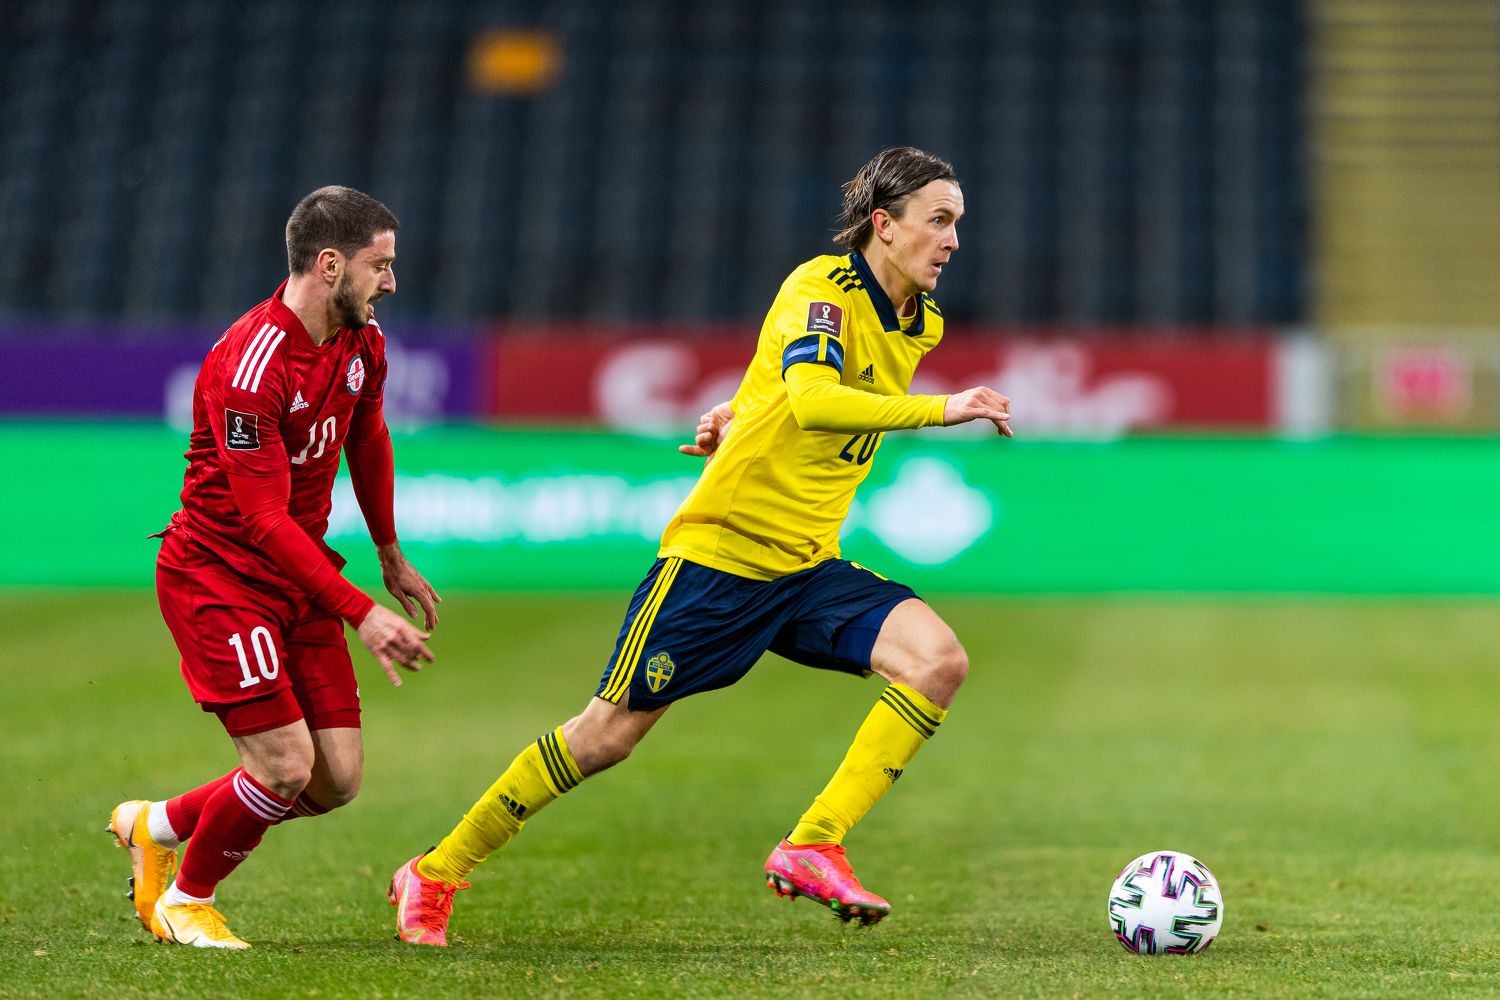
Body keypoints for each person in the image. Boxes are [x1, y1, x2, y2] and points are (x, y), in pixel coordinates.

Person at [388, 146, 1011, 946]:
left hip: (806, 564)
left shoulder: (921, 321)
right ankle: (436, 871)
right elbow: (819, 400)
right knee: (607, 734)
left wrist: (735, 411)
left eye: (957, 222)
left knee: (938, 661)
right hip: (720, 556)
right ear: (884, 226)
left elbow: (784, 380)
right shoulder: (820, 287)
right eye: (940, 220)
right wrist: (944, 407)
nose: (954, 239)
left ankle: (813, 844)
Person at [106, 186, 440, 950]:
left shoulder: (363, 342)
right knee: (285, 766)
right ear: (330, 265)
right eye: (379, 265)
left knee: (336, 780)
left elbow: (368, 435)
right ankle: (186, 901)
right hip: (221, 576)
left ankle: (156, 827)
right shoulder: (250, 365)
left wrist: (388, 551)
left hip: (298, 574)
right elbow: (260, 518)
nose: (390, 281)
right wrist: (362, 612)